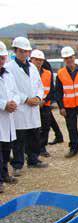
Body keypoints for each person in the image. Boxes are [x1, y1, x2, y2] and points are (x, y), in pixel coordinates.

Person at [6, 37, 47, 177]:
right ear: (15, 51)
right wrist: (25, 99)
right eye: (21, 51)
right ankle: (17, 164)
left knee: (34, 135)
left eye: (26, 51)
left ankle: (33, 159)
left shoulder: (33, 68)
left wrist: (38, 98)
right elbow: (10, 89)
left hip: (33, 107)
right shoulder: (9, 68)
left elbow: (40, 86)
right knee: (19, 138)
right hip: (20, 108)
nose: (24, 54)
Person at [0, 41, 20, 193]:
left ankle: (5, 174)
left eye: (2, 58)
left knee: (7, 149)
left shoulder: (8, 74)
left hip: (8, 118)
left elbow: (15, 92)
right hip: (2, 113)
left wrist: (14, 102)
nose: (1, 61)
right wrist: (3, 104)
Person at [30, 49, 56, 157]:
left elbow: (51, 89)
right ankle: (32, 150)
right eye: (37, 60)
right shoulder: (28, 72)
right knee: (32, 129)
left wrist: (44, 101)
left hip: (45, 105)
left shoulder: (48, 73)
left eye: (41, 60)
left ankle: (42, 147)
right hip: (31, 105)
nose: (39, 62)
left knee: (45, 127)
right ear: (31, 60)